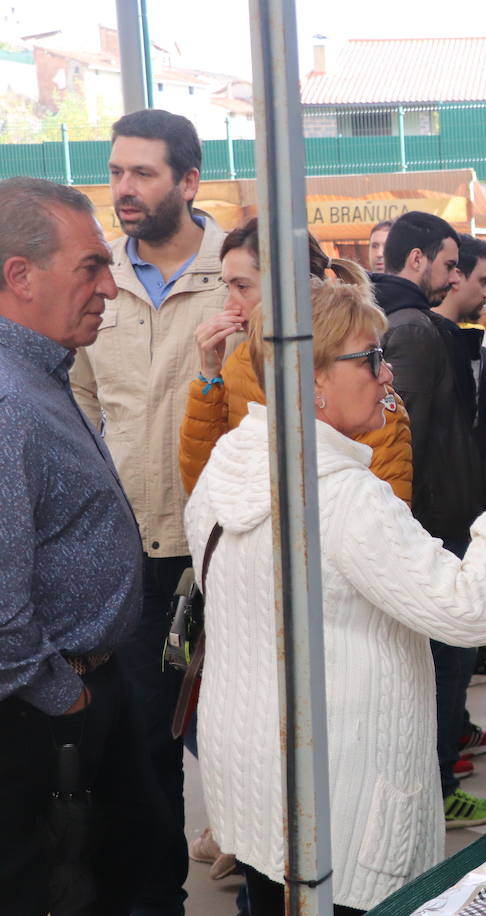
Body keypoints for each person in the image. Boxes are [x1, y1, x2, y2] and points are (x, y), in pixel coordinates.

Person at [186, 278, 486, 914]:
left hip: (255, 779)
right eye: (369, 359)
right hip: (339, 800)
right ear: (311, 381)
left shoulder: (233, 459)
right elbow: (465, 610)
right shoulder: (338, 496)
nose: (387, 375)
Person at [69, 108, 226, 914]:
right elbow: (83, 409)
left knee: (236, 743)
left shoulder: (241, 273)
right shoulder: (99, 278)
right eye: (116, 171)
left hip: (229, 553)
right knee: (143, 751)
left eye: (143, 174)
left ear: (189, 180)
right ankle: (162, 896)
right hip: (129, 558)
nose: (122, 189)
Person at [0, 177, 159, 914]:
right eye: (91, 267)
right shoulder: (8, 402)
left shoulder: (42, 377)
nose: (110, 288)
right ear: (19, 276)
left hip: (79, 692)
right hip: (41, 713)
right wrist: (64, 698)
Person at [372, 212, 486, 825]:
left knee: (443, 662)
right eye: (450, 265)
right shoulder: (413, 330)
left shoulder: (402, 324)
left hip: (432, 517)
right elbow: (406, 441)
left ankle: (438, 779)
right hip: (432, 524)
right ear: (418, 259)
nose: (457, 279)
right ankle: (438, 788)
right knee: (445, 661)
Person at [179, 218, 411, 502]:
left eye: (242, 286)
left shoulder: (360, 377)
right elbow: (204, 486)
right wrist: (209, 378)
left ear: (292, 287)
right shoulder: (237, 363)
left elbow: (382, 515)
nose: (230, 304)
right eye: (226, 286)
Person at [434, 232, 486, 668]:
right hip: (444, 517)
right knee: (449, 657)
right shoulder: (425, 337)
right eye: (482, 280)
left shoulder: (470, 347)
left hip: (464, 507)